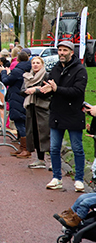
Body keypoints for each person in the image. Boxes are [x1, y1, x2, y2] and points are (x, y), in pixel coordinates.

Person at [41, 41, 88, 192]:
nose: (61, 53)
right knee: (54, 148)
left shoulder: (80, 70)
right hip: (57, 113)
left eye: (64, 50)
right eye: (59, 50)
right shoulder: (55, 69)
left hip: (73, 113)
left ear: (71, 52)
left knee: (77, 148)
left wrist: (56, 89)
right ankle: (56, 178)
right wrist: (47, 90)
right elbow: (53, 89)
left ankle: (79, 180)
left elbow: (77, 92)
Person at [0, 51, 31, 158]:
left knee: (20, 123)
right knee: (21, 122)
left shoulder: (17, 71)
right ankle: (22, 147)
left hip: (17, 98)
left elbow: (6, 81)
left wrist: (3, 72)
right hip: (22, 97)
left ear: (17, 59)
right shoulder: (27, 69)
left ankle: (26, 149)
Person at [21, 56, 51, 168]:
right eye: (33, 63)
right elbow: (22, 91)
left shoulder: (46, 75)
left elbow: (48, 92)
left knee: (46, 134)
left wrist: (36, 90)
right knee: (34, 133)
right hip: (31, 107)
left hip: (43, 108)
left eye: (38, 63)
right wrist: (28, 91)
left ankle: (53, 161)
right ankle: (40, 159)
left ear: (42, 64)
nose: (35, 65)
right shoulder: (28, 76)